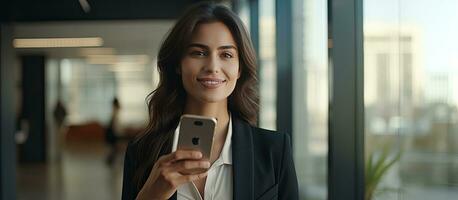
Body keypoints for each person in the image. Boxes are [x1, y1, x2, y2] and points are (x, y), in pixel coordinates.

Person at [121, 2, 298, 200]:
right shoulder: (142, 151)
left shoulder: (274, 150)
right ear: (178, 64)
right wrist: (152, 195)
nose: (213, 66)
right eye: (198, 52)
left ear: (239, 68)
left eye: (226, 55)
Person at [106, 97, 121, 166]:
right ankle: (110, 160)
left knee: (113, 147)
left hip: (111, 131)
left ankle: (110, 160)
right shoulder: (115, 110)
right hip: (112, 132)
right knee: (113, 147)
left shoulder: (114, 110)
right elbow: (114, 123)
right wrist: (117, 131)